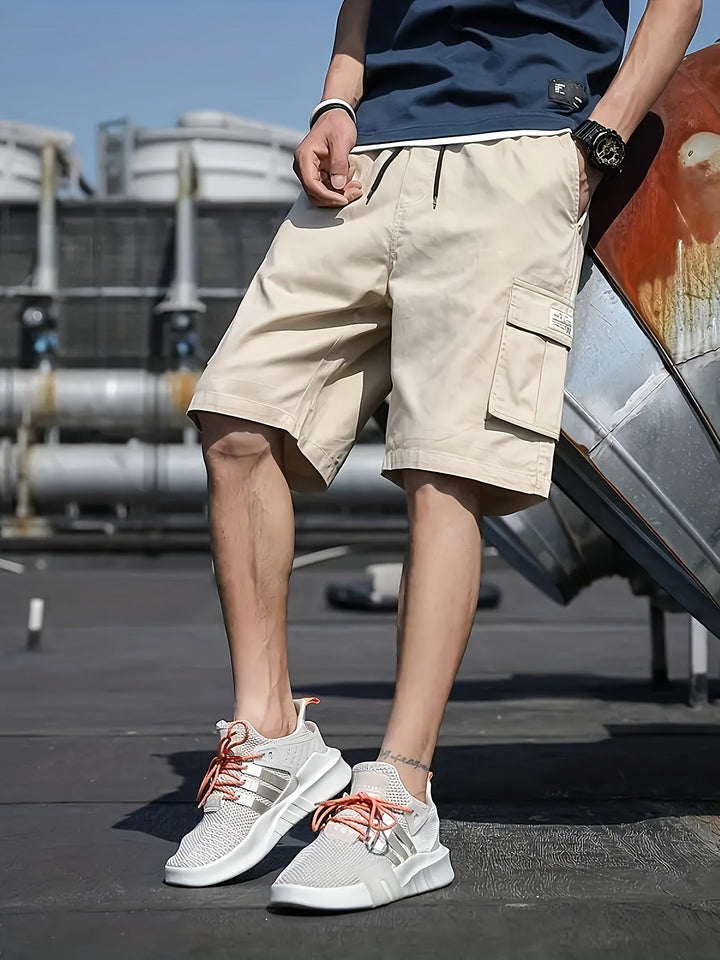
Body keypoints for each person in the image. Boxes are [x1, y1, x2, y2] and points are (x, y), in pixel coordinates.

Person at [165, 0, 703, 911]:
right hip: (371, 153)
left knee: (442, 464)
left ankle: (401, 793)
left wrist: (601, 135)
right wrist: (337, 99)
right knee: (237, 420)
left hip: (523, 143)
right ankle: (271, 737)